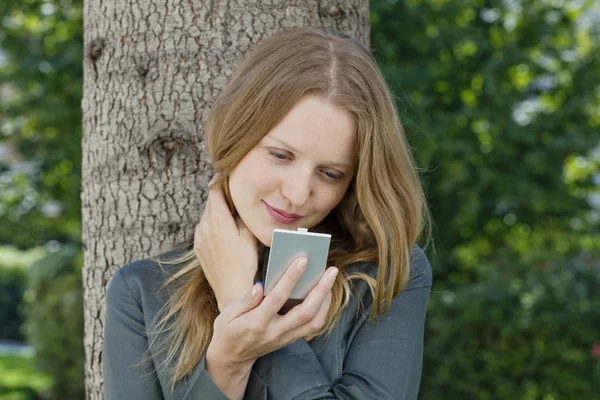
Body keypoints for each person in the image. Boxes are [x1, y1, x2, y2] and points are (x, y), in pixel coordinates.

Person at [102, 26, 433, 400]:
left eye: (330, 174)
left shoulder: (385, 273)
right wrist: (227, 364)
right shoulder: (141, 292)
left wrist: (242, 300)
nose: (296, 194)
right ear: (235, 134)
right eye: (279, 155)